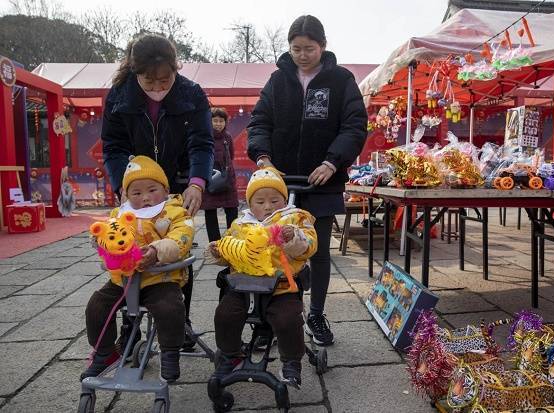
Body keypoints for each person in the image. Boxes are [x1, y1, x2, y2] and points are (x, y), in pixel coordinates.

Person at [247, 15, 368, 346]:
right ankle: (270, 317)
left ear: (323, 46)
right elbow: (259, 122)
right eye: (296, 48)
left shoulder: (341, 80)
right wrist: (264, 160)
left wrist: (333, 161)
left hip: (322, 181)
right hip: (280, 183)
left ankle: (316, 313)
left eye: (309, 48)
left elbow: (354, 125)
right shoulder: (277, 81)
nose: (302, 55)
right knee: (273, 245)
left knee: (317, 250)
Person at [101, 33, 213, 349]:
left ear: (175, 69)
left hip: (177, 183)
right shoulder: (119, 96)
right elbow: (114, 146)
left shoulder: (191, 93)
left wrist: (196, 182)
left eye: (165, 81)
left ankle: (181, 321)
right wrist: (123, 186)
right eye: (149, 83)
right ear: (134, 73)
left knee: (179, 248)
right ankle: (131, 323)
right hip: (135, 185)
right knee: (131, 248)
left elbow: (201, 143)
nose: (158, 89)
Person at [82, 155, 194, 383]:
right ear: (125, 195)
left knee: (170, 308)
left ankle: (170, 352)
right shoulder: (119, 215)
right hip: (122, 281)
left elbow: (181, 238)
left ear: (165, 189)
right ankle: (104, 353)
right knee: (96, 307)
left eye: (152, 190)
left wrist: (155, 251)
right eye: (136, 193)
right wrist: (100, 240)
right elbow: (106, 234)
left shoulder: (173, 212)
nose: (145, 198)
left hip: (160, 278)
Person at [208, 168, 317, 388]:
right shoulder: (241, 224)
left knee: (288, 319)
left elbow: (310, 246)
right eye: (260, 202)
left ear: (284, 199)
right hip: (242, 287)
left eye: (274, 200)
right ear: (250, 204)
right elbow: (230, 249)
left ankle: (292, 362)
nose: (267, 206)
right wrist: (218, 252)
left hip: (281, 287)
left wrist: (293, 237)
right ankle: (230, 353)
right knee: (225, 314)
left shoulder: (295, 218)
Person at [200, 108, 239, 242]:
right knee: (210, 212)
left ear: (225, 122)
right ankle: (215, 244)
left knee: (232, 210)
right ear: (209, 122)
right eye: (215, 121)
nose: (218, 124)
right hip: (210, 179)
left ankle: (232, 241)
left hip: (227, 179)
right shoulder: (204, 136)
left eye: (221, 121)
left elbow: (231, 155)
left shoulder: (227, 137)